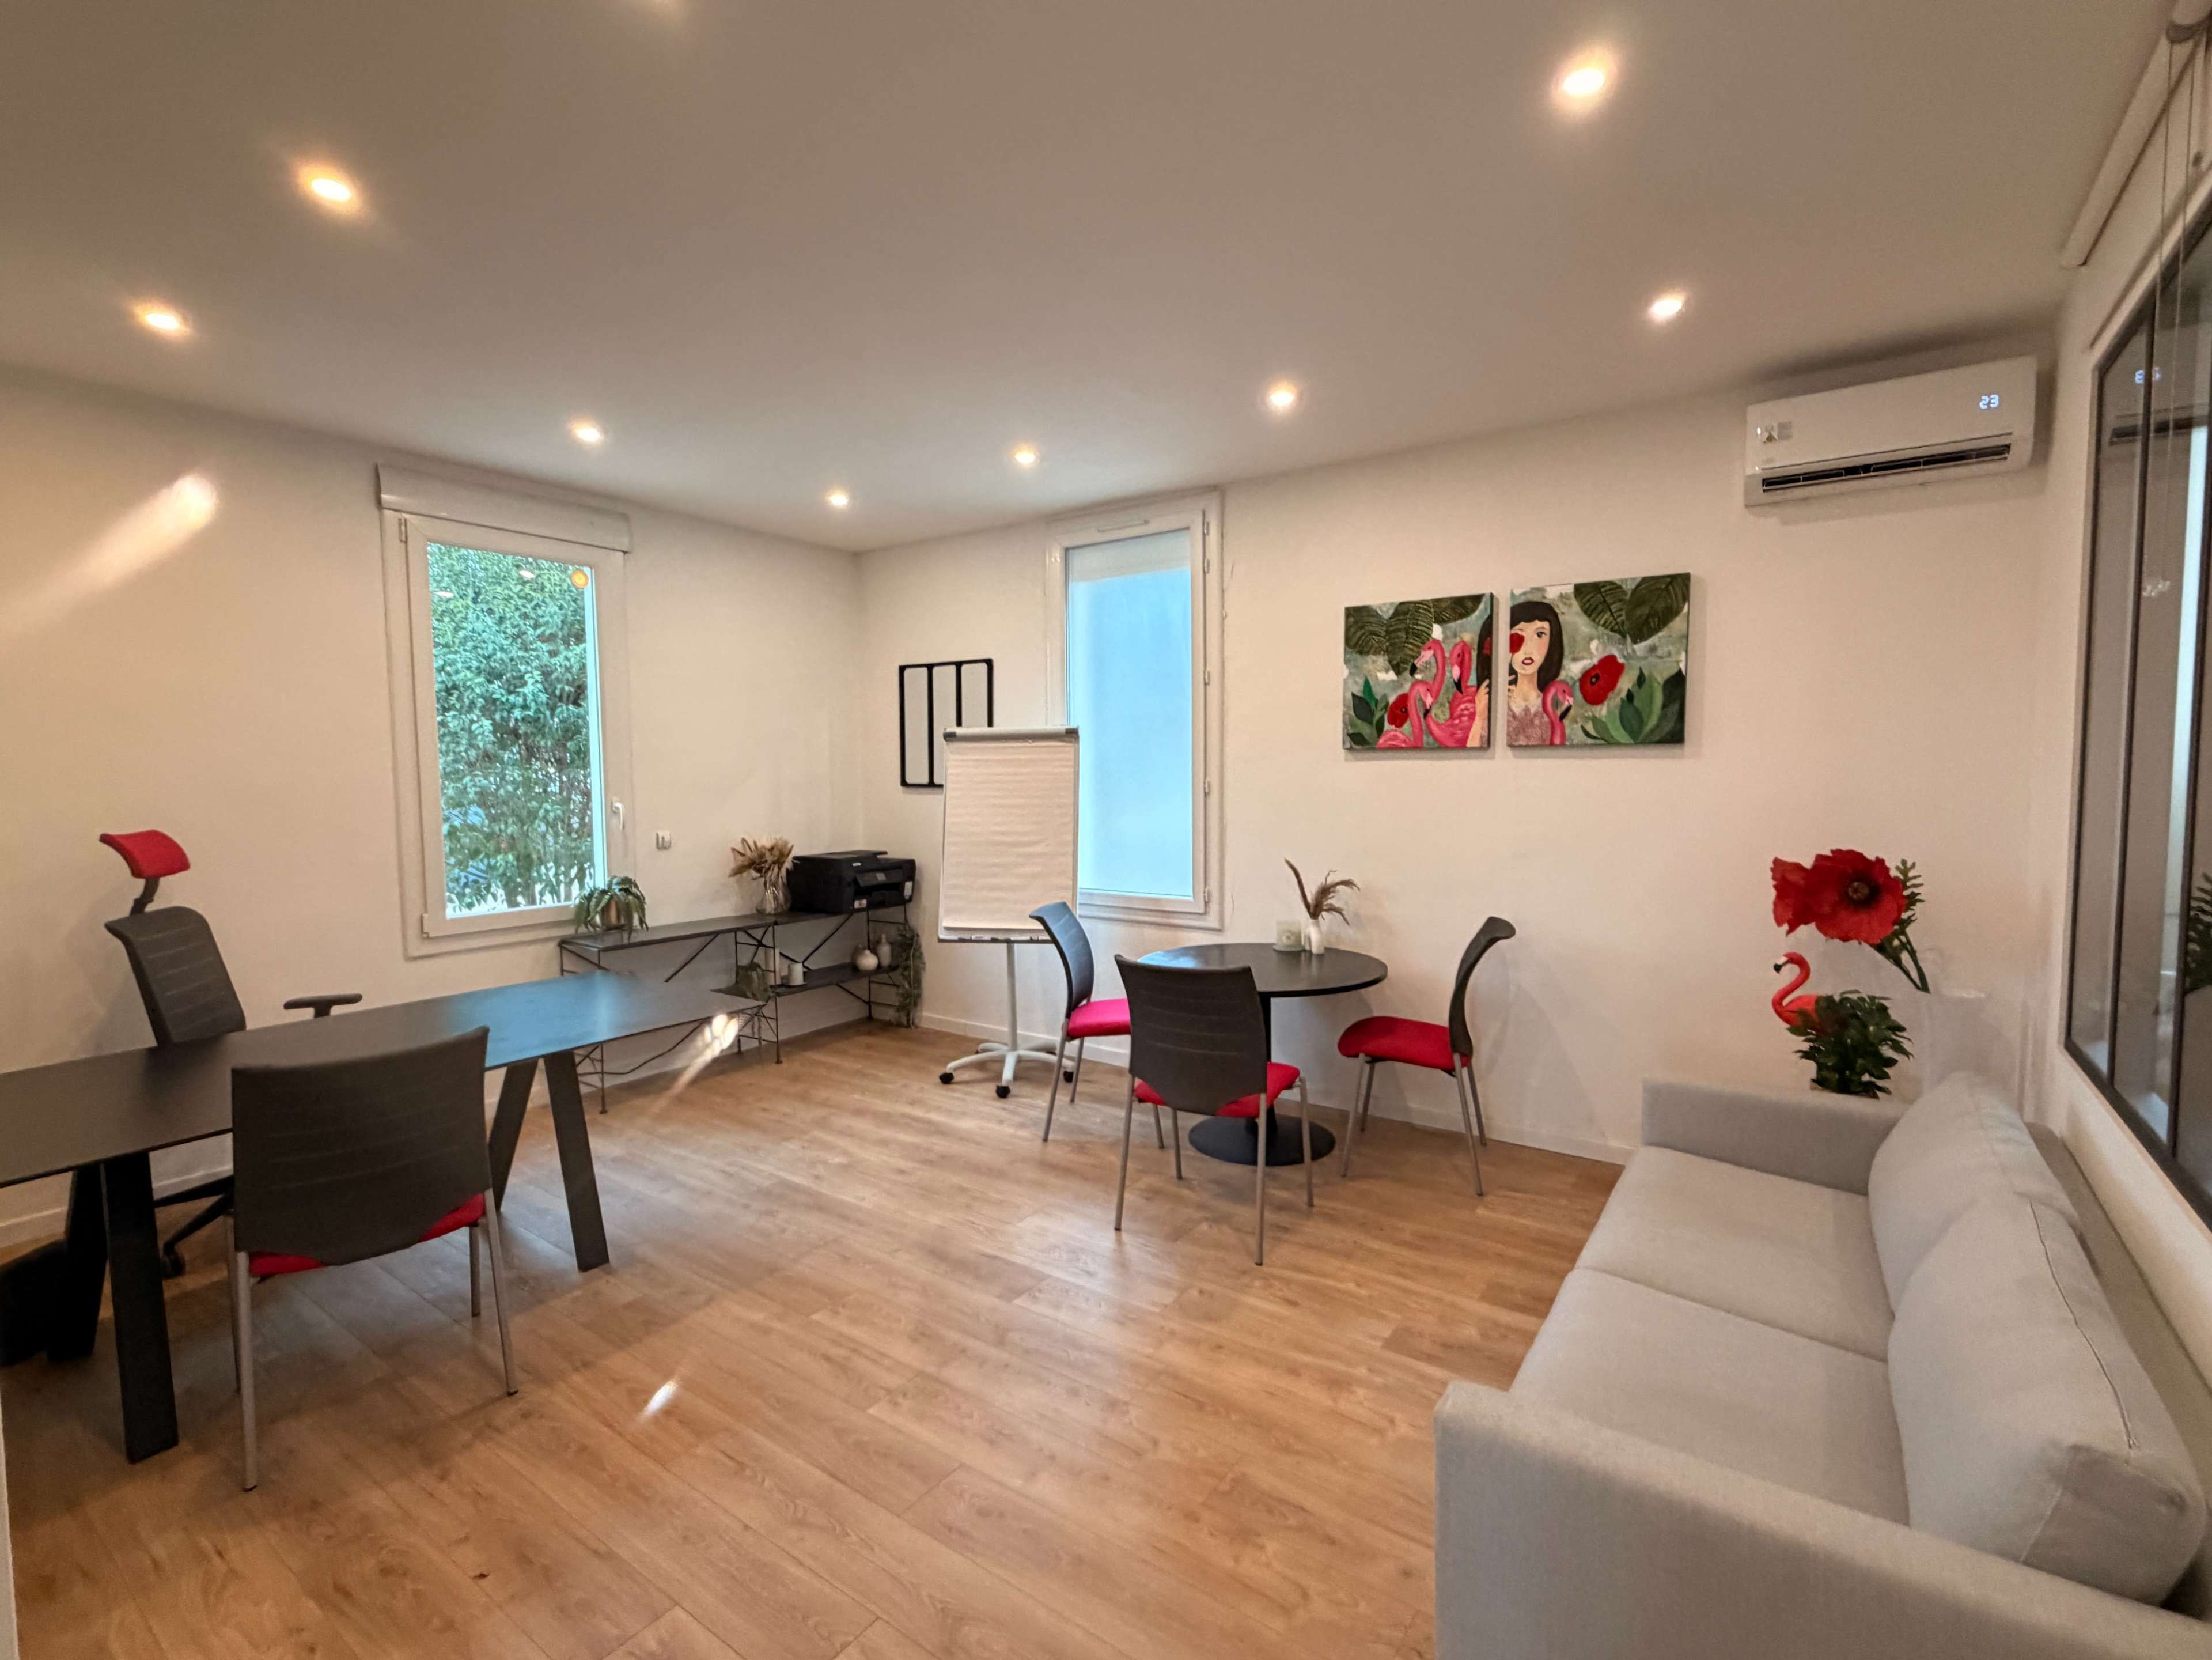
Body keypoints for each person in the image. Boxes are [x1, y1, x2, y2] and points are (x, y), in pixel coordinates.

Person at [1505, 598, 1573, 745]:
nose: (1528, 649)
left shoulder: (1552, 710)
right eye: (1519, 634)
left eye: (1540, 635)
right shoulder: (1490, 703)